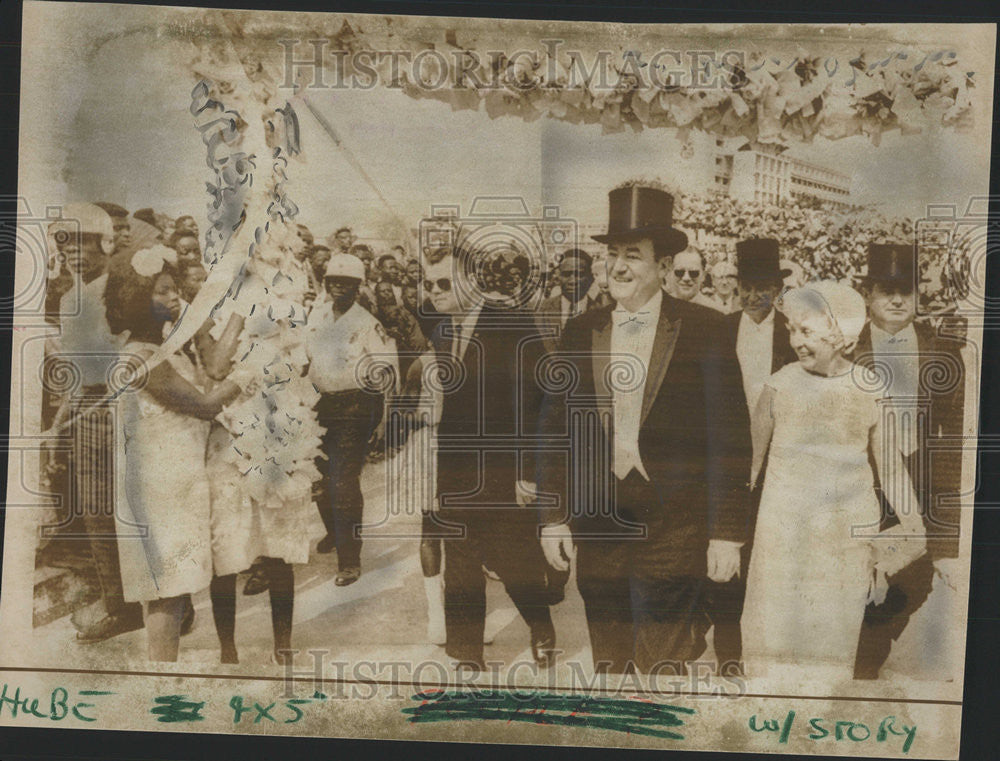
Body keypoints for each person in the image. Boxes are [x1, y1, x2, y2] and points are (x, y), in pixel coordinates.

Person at [536, 184, 750, 674]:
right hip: (599, 525)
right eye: (611, 254)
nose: (618, 266)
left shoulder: (706, 329)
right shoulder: (580, 330)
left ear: (663, 266)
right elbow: (553, 430)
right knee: (610, 664)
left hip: (677, 524)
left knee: (664, 666)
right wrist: (553, 517)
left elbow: (731, 438)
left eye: (633, 255)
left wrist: (727, 534)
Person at [740, 281, 926, 682]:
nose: (795, 341)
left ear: (840, 334)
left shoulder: (872, 389)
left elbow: (891, 470)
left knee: (830, 650)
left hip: (845, 538)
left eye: (806, 331)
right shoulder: (777, 387)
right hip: (782, 538)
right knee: (771, 645)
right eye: (791, 330)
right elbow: (752, 470)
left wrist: (911, 531)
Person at [422, 244, 559, 670]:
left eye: (444, 283)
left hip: (504, 468)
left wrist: (528, 472)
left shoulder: (515, 325)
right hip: (455, 467)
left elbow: (541, 404)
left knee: (512, 558)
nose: (434, 292)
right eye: (428, 284)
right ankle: (466, 652)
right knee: (460, 557)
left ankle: (540, 624)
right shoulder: (442, 330)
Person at [104, 245, 241, 662]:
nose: (174, 297)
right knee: (165, 590)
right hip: (160, 486)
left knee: (168, 589)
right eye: (162, 291)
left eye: (175, 289)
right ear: (136, 297)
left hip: (170, 480)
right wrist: (250, 374)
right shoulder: (142, 357)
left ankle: (161, 673)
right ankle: (160, 680)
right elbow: (204, 405)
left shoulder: (155, 349)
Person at [853, 243, 965, 679]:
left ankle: (868, 656)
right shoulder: (845, 347)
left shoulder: (942, 351)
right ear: (868, 293)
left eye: (906, 290)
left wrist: (945, 542)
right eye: (886, 290)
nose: (897, 300)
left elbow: (949, 446)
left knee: (911, 586)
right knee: (853, 588)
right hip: (859, 489)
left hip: (916, 495)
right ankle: (856, 668)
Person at [45, 204, 144, 645]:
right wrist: (57, 432)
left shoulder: (121, 288)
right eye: (67, 243)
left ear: (104, 241)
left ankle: (173, 607)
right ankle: (119, 607)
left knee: (142, 511)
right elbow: (74, 375)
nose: (76, 252)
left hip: (129, 406)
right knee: (97, 514)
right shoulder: (68, 300)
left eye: (85, 241)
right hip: (86, 412)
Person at [706, 238, 798, 674]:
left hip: (779, 466)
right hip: (725, 465)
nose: (754, 294)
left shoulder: (794, 335)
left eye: (764, 285)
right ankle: (728, 655)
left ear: (778, 289)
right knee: (725, 559)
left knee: (769, 558)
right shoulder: (718, 330)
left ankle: (765, 653)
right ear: (736, 284)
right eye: (747, 283)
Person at [305, 254, 398, 585]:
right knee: (318, 479)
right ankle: (334, 531)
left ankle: (349, 559)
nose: (337, 287)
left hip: (355, 406)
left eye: (346, 283)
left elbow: (386, 370)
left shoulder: (366, 323)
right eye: (332, 281)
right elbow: (304, 357)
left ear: (359, 287)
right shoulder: (316, 316)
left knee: (343, 481)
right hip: (317, 405)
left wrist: (384, 418)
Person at [534, 248, 597, 354]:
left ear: (591, 278)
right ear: (558, 277)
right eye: (567, 275)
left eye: (580, 275)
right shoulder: (538, 311)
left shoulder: (602, 316)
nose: (573, 281)